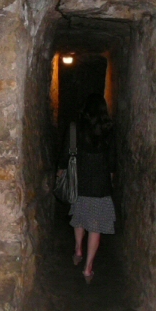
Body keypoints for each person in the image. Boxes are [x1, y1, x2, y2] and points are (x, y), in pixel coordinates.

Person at [58, 93, 116, 284]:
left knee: (80, 216)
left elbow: (66, 152)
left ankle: (78, 249)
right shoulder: (109, 129)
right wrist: (111, 177)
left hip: (80, 180)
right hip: (100, 183)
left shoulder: (75, 128)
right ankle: (88, 268)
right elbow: (112, 159)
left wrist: (61, 170)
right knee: (95, 226)